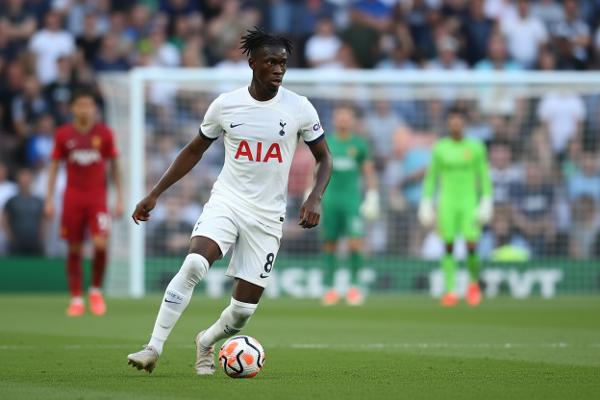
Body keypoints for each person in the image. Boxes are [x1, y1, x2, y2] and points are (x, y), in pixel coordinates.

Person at [126, 28, 332, 375]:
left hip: (267, 216)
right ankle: (153, 347)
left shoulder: (299, 107)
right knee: (194, 264)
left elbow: (324, 158)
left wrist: (315, 197)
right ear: (252, 63)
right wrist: (155, 192)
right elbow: (193, 150)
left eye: (283, 63)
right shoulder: (226, 104)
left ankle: (206, 341)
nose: (279, 69)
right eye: (271, 62)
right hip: (228, 201)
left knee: (241, 314)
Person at [44, 88, 123, 317]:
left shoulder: (104, 134)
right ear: (72, 108)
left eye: (88, 105)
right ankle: (76, 298)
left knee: (100, 244)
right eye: (80, 105)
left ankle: (95, 290)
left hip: (97, 198)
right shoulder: (63, 134)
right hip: (72, 198)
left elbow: (115, 167)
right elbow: (53, 167)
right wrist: (49, 199)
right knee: (74, 248)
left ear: (94, 108)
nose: (85, 110)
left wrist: (119, 197)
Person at [418, 107, 493, 307]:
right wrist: (426, 201)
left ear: (464, 123)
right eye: (452, 121)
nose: (455, 124)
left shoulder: (476, 147)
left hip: (469, 202)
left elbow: (483, 175)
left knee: (471, 244)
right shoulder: (440, 148)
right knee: (448, 245)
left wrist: (486, 199)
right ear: (448, 123)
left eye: (459, 120)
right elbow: (432, 177)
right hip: (447, 202)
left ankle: (473, 285)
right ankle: (450, 290)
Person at [320, 105, 379, 307]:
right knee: (330, 243)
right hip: (330, 200)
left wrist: (372, 195)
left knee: (355, 243)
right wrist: (311, 193)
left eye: (347, 117)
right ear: (334, 119)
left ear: (353, 120)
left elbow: (368, 171)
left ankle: (355, 287)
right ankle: (330, 288)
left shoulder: (359, 144)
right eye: (340, 117)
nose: (343, 120)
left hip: (351, 201)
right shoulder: (327, 142)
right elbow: (318, 168)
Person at [2, 168, 45, 255]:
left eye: (27, 178)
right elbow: (4, 219)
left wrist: (41, 237)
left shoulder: (39, 201)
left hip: (34, 243)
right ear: (18, 180)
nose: (25, 181)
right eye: (22, 178)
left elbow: (43, 220)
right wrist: (9, 237)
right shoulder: (11, 201)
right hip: (15, 244)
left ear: (31, 180)